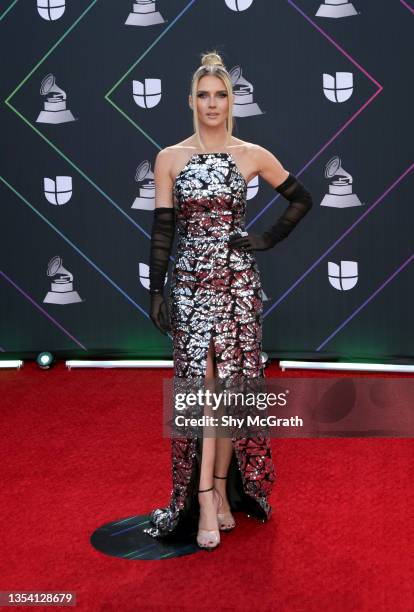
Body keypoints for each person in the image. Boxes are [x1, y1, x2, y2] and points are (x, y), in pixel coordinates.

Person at [144, 50, 313, 551]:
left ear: (231, 100)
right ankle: (203, 498)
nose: (212, 103)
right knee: (203, 392)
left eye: (220, 94)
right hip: (192, 285)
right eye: (203, 95)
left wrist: (263, 240)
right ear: (191, 101)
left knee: (228, 393)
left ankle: (216, 495)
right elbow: (163, 229)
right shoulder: (170, 157)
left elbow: (301, 198)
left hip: (237, 285)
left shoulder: (251, 154)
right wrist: (157, 289)